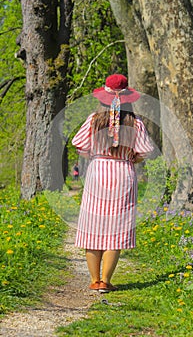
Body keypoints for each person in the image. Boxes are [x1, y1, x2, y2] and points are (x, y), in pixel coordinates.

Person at [72, 74, 154, 293]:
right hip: (123, 173)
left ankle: (94, 279)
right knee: (116, 229)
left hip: (98, 172)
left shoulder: (93, 119)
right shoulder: (135, 123)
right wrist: (132, 157)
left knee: (93, 226)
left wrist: (94, 154)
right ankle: (106, 281)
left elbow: (79, 144)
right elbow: (145, 150)